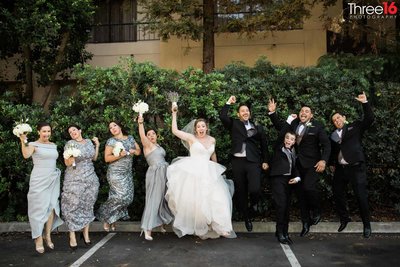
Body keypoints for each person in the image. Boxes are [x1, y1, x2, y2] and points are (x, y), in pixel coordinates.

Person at [166, 106, 235, 239]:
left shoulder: (212, 139)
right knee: (196, 200)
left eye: (203, 126)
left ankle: (219, 226)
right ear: (195, 129)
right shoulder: (191, 138)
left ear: (206, 127)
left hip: (209, 171)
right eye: (198, 127)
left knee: (217, 198)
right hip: (193, 171)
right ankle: (200, 225)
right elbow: (175, 131)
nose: (201, 129)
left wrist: (217, 169)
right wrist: (174, 114)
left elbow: (213, 154)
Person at [268, 99, 331, 237]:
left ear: (311, 115)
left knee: (309, 188)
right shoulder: (295, 123)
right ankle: (305, 223)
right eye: (302, 111)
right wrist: (272, 112)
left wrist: (323, 160)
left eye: (306, 111)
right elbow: (281, 127)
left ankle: (316, 210)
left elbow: (326, 145)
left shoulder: (317, 126)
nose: (303, 113)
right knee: (301, 195)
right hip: (295, 166)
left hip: (312, 165)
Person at [219, 95, 269, 232]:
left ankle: (254, 205)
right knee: (241, 191)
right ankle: (247, 218)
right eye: (242, 111)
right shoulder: (234, 123)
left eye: (247, 110)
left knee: (255, 188)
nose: (245, 112)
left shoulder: (257, 127)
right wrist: (228, 102)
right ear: (238, 114)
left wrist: (265, 160)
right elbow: (223, 116)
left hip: (253, 161)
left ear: (250, 113)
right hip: (238, 162)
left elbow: (264, 145)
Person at [329, 92, 374, 238]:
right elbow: (333, 151)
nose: (337, 121)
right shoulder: (333, 135)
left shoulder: (355, 127)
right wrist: (331, 163)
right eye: (334, 120)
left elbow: (369, 119)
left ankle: (366, 225)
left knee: (361, 196)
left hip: (356, 167)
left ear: (344, 118)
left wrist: (365, 103)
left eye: (338, 118)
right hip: (341, 169)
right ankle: (344, 218)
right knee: (337, 193)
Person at [19, 122, 63, 254]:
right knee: (38, 209)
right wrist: (23, 141)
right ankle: (38, 238)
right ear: (39, 132)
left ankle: (47, 235)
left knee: (51, 208)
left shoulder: (53, 145)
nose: (46, 134)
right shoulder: (33, 144)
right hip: (39, 179)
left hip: (52, 179)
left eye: (48, 131)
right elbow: (26, 155)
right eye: (44, 131)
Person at [96, 121, 141, 231]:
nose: (113, 128)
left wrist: (134, 151)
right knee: (120, 196)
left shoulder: (130, 138)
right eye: (110, 128)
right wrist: (120, 155)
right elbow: (107, 158)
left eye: (114, 125)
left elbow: (139, 151)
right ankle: (106, 217)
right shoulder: (111, 141)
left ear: (120, 126)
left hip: (127, 173)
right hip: (115, 173)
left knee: (128, 198)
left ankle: (113, 219)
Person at [62, 124, 100, 250]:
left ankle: (86, 233)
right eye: (70, 131)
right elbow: (67, 162)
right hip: (74, 178)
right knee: (72, 205)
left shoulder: (89, 142)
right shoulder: (69, 144)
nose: (72, 132)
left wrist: (97, 146)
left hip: (90, 178)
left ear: (80, 130)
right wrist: (71, 157)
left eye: (74, 130)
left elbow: (93, 158)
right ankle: (72, 235)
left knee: (88, 205)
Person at [137, 115, 173, 241]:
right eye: (149, 134)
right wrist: (140, 123)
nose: (151, 136)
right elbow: (141, 136)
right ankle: (147, 229)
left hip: (165, 172)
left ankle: (161, 224)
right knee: (154, 199)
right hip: (155, 173)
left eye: (153, 134)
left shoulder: (158, 146)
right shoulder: (147, 146)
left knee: (164, 198)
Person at [269, 131, 301, 245]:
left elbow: (294, 167)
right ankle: (279, 232)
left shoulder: (293, 151)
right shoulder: (279, 148)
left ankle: (285, 232)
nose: (289, 140)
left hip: (289, 181)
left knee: (287, 207)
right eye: (287, 138)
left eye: (292, 139)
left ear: (294, 141)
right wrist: (289, 120)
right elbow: (282, 131)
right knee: (281, 205)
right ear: (284, 139)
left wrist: (297, 178)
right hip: (278, 179)